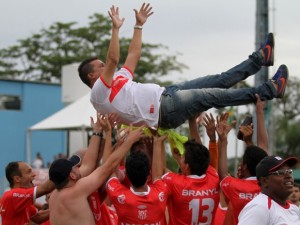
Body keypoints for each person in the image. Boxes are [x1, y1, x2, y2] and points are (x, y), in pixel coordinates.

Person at [78, 3, 288, 130]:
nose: (105, 66)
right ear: (92, 76)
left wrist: (138, 25)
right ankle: (269, 89)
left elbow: (133, 55)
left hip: (167, 94)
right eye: (100, 66)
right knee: (212, 95)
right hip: (163, 111)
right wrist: (115, 29)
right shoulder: (98, 94)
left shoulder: (117, 81)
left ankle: (260, 59)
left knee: (219, 80)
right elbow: (113, 59)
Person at [48, 109, 145, 225]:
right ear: (72, 175)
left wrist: (98, 131)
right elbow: (107, 167)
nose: (79, 167)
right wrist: (129, 141)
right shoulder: (76, 191)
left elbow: (88, 164)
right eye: (76, 167)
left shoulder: (54, 196)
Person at [217, 99, 269, 224]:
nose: (239, 167)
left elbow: (223, 174)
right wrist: (259, 111)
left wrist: (223, 140)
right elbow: (263, 149)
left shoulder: (235, 186)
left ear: (245, 167)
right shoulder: (270, 187)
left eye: (241, 163)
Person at [106, 133, 169, 224]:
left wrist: (109, 134)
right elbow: (157, 175)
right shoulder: (161, 192)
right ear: (149, 174)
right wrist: (157, 142)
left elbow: (107, 168)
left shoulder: (118, 195)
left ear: (126, 173)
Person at [162, 140, 220, 225]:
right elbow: (201, 159)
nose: (181, 157)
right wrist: (179, 159)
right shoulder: (214, 177)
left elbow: (160, 169)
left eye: (183, 156)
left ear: (187, 166)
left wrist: (158, 141)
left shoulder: (177, 183)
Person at [238, 155, 300, 224]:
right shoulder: (259, 207)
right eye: (280, 172)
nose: (288, 176)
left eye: (289, 171)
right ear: (264, 181)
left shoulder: (294, 209)